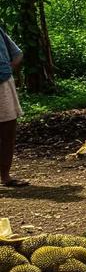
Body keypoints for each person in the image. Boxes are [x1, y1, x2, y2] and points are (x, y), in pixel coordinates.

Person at [0, 26, 25, 187]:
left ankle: (5, 176)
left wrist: (7, 69)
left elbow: (17, 54)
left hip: (3, 84)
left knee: (8, 132)